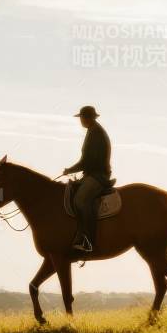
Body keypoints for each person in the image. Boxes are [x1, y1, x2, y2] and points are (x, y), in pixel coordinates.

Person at [63, 105, 114, 255]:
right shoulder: (92, 131)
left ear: (88, 118)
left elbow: (87, 162)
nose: (81, 121)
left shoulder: (96, 134)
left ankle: (88, 241)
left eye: (82, 118)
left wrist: (70, 170)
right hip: (91, 174)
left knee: (80, 200)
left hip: (98, 176)